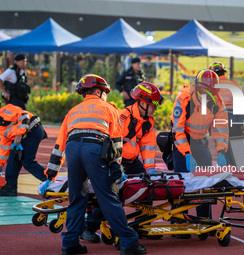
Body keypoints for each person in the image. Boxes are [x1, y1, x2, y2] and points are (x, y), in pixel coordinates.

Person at [41, 74, 146, 255]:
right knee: (108, 198)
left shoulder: (72, 111)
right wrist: (117, 168)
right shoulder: (109, 108)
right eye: (105, 92)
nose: (105, 95)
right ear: (98, 91)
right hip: (95, 149)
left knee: (77, 198)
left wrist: (50, 176)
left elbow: (59, 145)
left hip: (73, 149)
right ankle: (129, 243)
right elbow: (116, 142)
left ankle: (70, 244)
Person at [80, 82, 163, 243]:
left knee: (147, 189)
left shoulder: (148, 122)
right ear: (142, 102)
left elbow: (148, 147)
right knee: (112, 196)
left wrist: (150, 169)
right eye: (153, 105)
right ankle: (88, 227)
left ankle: (143, 226)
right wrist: (115, 166)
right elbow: (110, 141)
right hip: (116, 161)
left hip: (132, 162)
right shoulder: (122, 117)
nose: (155, 109)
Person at [171, 69, 229, 234]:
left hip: (201, 140)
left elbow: (221, 129)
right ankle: (179, 221)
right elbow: (177, 130)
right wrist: (187, 154)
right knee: (182, 182)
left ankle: (204, 221)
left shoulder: (217, 102)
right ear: (196, 87)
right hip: (182, 139)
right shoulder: (184, 97)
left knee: (205, 182)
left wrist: (221, 151)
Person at [0, 103, 47, 196]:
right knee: (13, 159)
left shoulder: (6, 110)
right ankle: (11, 187)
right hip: (27, 134)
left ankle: (50, 181)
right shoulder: (1, 126)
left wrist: (19, 134)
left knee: (27, 162)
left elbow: (24, 116)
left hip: (32, 131)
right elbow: (4, 149)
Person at [209, 61, 244, 165]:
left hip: (220, 122)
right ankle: (237, 173)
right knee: (236, 149)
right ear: (224, 72)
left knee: (223, 147)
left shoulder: (212, 87)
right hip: (236, 120)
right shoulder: (234, 85)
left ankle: (227, 173)